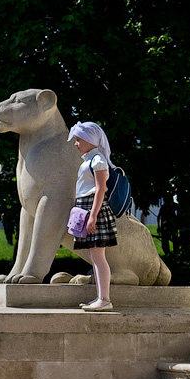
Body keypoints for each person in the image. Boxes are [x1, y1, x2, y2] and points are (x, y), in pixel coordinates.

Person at [67, 121, 118, 311]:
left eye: (78, 139)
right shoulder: (90, 159)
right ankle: (101, 298)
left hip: (92, 208)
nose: (76, 143)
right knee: (95, 256)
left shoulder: (97, 160)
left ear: (89, 140)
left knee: (98, 256)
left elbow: (100, 189)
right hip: (87, 207)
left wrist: (93, 216)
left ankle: (104, 299)